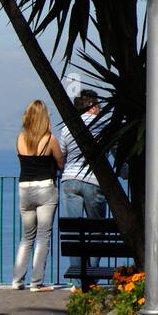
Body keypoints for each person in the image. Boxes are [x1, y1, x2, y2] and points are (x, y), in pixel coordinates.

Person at [10, 100, 64, 292]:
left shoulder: (19, 138)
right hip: (45, 189)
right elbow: (60, 163)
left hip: (24, 188)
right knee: (43, 235)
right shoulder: (50, 139)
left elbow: (22, 162)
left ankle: (17, 280)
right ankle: (36, 282)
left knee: (26, 237)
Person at [57, 90, 106, 220]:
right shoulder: (104, 125)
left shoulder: (68, 127)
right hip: (95, 179)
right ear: (92, 105)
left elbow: (62, 155)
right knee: (97, 229)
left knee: (73, 228)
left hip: (70, 179)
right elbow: (116, 151)